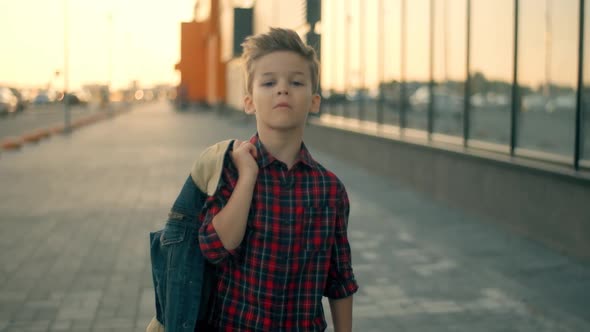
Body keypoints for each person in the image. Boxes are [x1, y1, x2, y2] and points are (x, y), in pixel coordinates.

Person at [197, 27, 358, 331]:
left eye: (296, 82)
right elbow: (215, 247)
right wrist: (248, 177)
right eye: (269, 82)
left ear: (313, 101)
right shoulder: (229, 169)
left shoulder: (329, 189)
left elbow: (340, 279)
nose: (282, 89)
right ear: (249, 102)